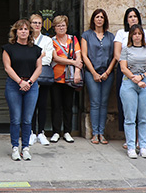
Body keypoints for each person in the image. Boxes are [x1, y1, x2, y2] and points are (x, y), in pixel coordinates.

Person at [114, 7, 146, 148]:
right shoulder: (121, 33)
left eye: (135, 16)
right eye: (130, 16)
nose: (132, 19)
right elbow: (117, 54)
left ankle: (140, 141)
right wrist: (130, 72)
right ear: (126, 19)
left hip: (143, 76)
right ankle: (130, 139)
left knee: (143, 113)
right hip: (126, 73)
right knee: (128, 109)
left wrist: (140, 75)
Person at [3, 19, 42, 161]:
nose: (23, 31)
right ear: (16, 32)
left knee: (27, 120)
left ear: (30, 32)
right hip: (14, 85)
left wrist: (29, 82)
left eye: (26, 29)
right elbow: (8, 68)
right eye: (20, 29)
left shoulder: (36, 49)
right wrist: (20, 81)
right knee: (15, 119)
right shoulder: (8, 48)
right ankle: (15, 147)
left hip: (31, 86)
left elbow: (39, 68)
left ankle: (25, 148)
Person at [119, 25, 146, 158]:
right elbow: (123, 67)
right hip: (129, 82)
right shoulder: (126, 49)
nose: (137, 36)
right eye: (134, 34)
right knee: (130, 118)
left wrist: (142, 77)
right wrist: (135, 79)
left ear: (142, 36)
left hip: (145, 82)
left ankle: (143, 146)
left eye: (139, 34)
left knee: (144, 118)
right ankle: (131, 147)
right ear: (131, 36)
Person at [81, 8, 117, 144]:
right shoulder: (86, 35)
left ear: (105, 20)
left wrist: (107, 72)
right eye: (97, 17)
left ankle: (102, 133)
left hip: (108, 73)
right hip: (92, 73)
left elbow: (115, 55)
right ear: (93, 19)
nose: (99, 19)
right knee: (95, 103)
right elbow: (84, 55)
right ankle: (95, 133)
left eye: (102, 17)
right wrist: (94, 73)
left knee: (104, 103)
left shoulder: (111, 37)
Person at [50, 15, 82, 143]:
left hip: (71, 77)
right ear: (54, 28)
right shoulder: (51, 41)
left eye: (63, 25)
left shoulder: (73, 40)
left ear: (67, 26)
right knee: (56, 106)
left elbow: (79, 58)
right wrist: (72, 62)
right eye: (58, 25)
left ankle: (67, 132)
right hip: (56, 77)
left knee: (68, 105)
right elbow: (55, 58)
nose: (61, 28)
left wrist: (77, 73)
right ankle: (56, 132)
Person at [29, 13, 53, 146]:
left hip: (43, 76)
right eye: (34, 23)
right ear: (30, 24)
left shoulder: (47, 40)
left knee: (42, 104)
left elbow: (48, 59)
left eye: (39, 23)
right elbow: (25, 58)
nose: (37, 25)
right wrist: (40, 55)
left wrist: (36, 57)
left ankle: (41, 132)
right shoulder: (26, 39)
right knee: (31, 105)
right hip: (29, 76)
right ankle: (31, 132)